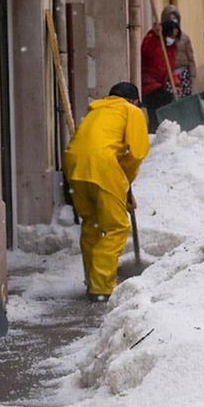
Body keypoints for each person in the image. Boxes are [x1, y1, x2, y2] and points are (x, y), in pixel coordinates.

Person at [62, 82, 150, 302]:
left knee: (91, 222)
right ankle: (102, 287)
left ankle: (92, 280)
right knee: (116, 227)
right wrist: (125, 182)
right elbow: (137, 153)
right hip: (101, 165)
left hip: (74, 164)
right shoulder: (131, 111)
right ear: (133, 101)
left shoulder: (97, 110)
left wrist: (123, 187)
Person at [141, 18, 180, 132]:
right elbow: (145, 51)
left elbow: (170, 68)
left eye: (175, 36)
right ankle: (155, 129)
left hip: (159, 83)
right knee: (164, 99)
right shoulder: (152, 40)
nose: (172, 39)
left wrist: (175, 82)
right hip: (148, 82)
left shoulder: (171, 48)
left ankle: (157, 129)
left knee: (164, 101)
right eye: (171, 35)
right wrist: (154, 33)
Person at [163, 4, 196, 97]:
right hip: (168, 75)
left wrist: (193, 75)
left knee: (185, 98)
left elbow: (190, 58)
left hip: (183, 73)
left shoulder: (184, 38)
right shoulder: (161, 39)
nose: (173, 20)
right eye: (170, 18)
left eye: (175, 18)